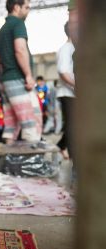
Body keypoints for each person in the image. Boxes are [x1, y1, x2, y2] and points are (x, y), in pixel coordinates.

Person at [0, 0, 42, 143]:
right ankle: (32, 162)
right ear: (16, 7)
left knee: (11, 125)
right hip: (18, 79)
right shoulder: (18, 24)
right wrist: (28, 75)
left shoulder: (3, 29)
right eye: (26, 7)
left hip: (5, 81)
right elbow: (20, 49)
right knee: (32, 123)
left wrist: (6, 60)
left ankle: (8, 160)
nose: (28, 10)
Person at [55, 22, 75, 159]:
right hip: (68, 93)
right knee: (72, 125)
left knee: (73, 125)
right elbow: (63, 71)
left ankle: (61, 146)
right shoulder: (66, 49)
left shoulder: (74, 48)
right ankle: (66, 149)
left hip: (72, 93)